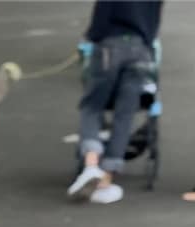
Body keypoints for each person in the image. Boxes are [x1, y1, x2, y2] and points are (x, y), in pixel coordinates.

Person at [68, 0, 163, 205]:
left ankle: (92, 163)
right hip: (141, 49)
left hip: (110, 46)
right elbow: (154, 22)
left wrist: (92, 37)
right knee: (125, 113)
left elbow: (102, 14)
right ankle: (107, 177)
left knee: (92, 106)